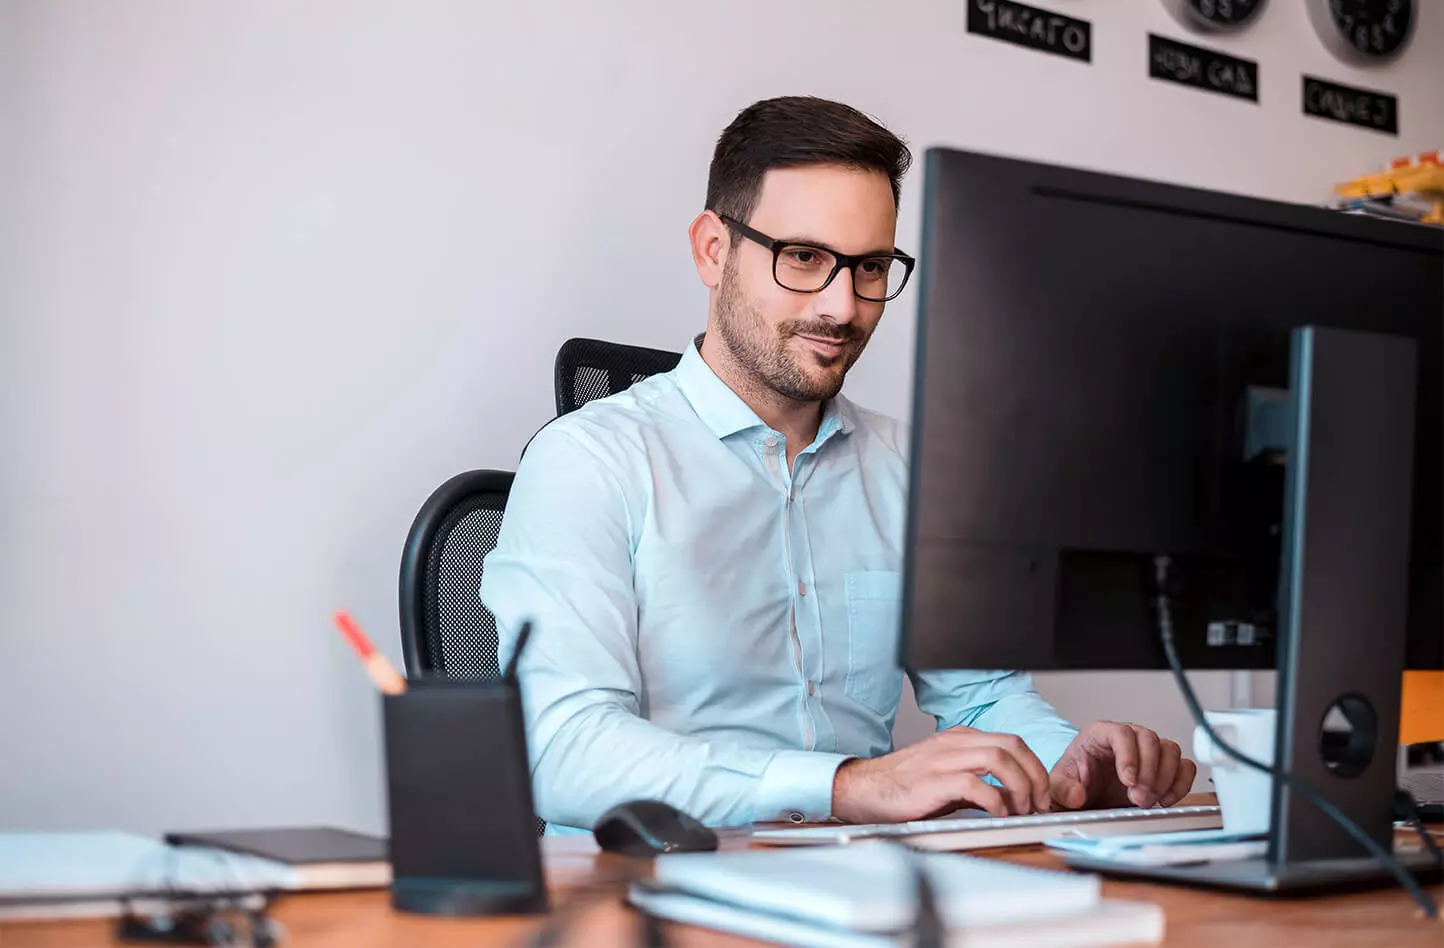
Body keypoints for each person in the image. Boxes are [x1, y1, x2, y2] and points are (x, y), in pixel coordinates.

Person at [481, 96, 1197, 833]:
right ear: (713, 250)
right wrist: (848, 787)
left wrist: (1070, 764)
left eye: (871, 267)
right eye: (805, 258)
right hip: (651, 893)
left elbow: (984, 698)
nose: (843, 305)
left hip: (863, 887)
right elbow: (557, 749)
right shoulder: (589, 462)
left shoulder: (912, 471)